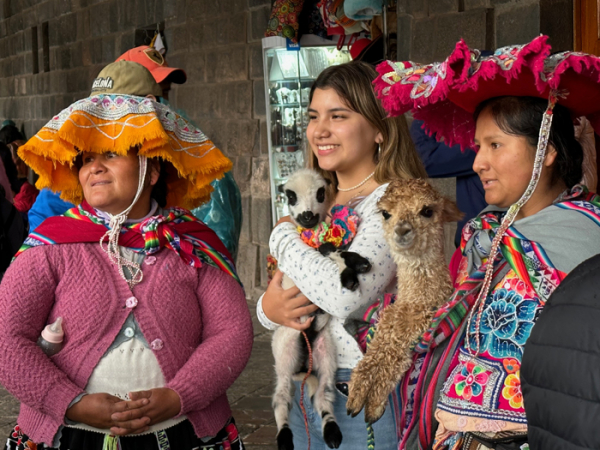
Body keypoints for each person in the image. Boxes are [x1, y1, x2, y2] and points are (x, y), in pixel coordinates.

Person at [0, 61, 253, 450]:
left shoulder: (190, 243)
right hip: (67, 436)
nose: (94, 167)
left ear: (152, 170)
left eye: (111, 153)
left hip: (185, 434)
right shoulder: (50, 247)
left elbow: (231, 333)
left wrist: (178, 396)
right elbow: (7, 338)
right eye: (85, 158)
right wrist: (71, 404)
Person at [371, 36, 600, 449]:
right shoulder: (483, 236)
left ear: (546, 151)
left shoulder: (585, 241)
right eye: (478, 146)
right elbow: (454, 320)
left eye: (496, 145)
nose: (478, 162)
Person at [258, 60, 428, 449]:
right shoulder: (317, 202)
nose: (320, 130)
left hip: (364, 387)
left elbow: (343, 295)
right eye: (314, 116)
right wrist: (269, 309)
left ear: (380, 129)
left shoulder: (396, 202)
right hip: (306, 383)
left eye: (338, 116)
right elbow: (278, 292)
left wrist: (282, 235)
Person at [117, 45, 243, 259]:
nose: (157, 105)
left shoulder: (190, 158)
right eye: (146, 98)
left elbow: (217, 249)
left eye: (162, 94)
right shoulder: (87, 166)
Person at [410, 119, 487, 247]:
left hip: (490, 245)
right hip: (475, 246)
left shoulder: (482, 141)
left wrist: (424, 107)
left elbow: (423, 159)